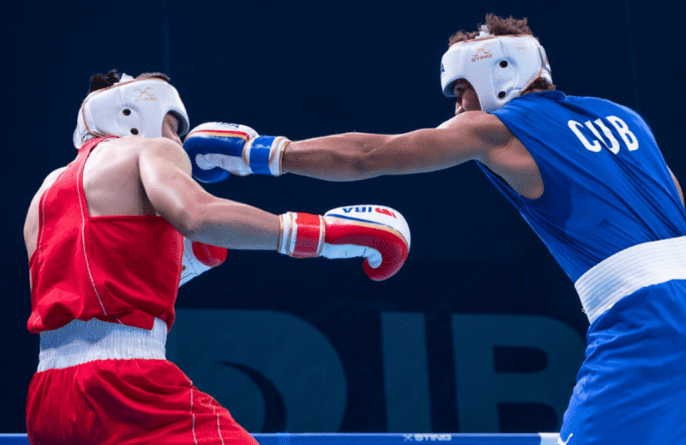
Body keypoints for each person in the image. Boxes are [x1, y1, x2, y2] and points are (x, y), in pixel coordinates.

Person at [183, 13, 686, 444]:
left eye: (462, 92)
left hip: (649, 317)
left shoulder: (499, 128)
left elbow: (371, 154)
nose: (459, 109)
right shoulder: (625, 116)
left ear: (500, 78)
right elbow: (674, 200)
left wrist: (262, 153)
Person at [23, 70, 410, 445]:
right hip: (124, 383)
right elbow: (197, 216)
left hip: (48, 397)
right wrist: (322, 234)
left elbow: (90, 285)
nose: (177, 140)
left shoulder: (42, 196)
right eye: (173, 126)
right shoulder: (145, 149)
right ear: (132, 118)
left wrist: (186, 261)